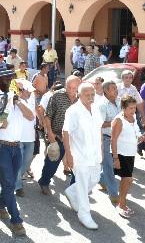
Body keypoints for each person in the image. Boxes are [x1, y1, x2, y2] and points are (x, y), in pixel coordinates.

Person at [0, 86, 34, 237]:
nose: (19, 91)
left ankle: (0, 202)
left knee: (8, 182)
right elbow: (0, 123)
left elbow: (30, 116)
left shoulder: (20, 102)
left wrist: (17, 102)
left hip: (17, 147)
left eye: (20, 89)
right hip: (1, 147)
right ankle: (16, 220)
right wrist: (7, 103)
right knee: (9, 181)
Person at [62, 83, 103, 230]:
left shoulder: (96, 108)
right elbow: (65, 132)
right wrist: (68, 155)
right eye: (87, 95)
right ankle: (84, 214)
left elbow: (99, 130)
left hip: (95, 154)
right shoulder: (73, 111)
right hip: (79, 154)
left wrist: (102, 150)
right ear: (79, 95)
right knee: (83, 183)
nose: (91, 97)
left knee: (95, 179)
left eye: (92, 94)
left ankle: (72, 192)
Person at [38, 76, 81, 195]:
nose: (72, 91)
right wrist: (50, 135)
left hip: (75, 139)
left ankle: (73, 191)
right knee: (52, 162)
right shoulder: (57, 96)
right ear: (66, 86)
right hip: (58, 136)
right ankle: (44, 182)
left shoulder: (82, 99)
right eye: (69, 87)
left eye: (75, 88)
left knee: (77, 167)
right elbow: (48, 116)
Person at [111, 96, 142, 218]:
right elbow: (113, 140)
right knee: (127, 180)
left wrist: (140, 137)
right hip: (121, 154)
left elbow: (136, 131)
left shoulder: (133, 117)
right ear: (123, 108)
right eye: (130, 108)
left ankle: (121, 203)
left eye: (134, 108)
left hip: (130, 154)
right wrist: (115, 158)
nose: (133, 110)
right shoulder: (118, 120)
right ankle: (121, 205)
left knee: (126, 180)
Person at [98, 80, 121, 204]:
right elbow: (99, 124)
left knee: (112, 164)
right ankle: (113, 193)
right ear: (106, 90)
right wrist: (115, 123)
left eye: (116, 88)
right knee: (108, 165)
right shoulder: (102, 105)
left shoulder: (119, 101)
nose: (116, 90)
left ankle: (101, 179)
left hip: (119, 138)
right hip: (106, 138)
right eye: (113, 88)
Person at [15, 80, 37, 197]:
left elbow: (33, 116)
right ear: (22, 91)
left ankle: (16, 178)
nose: (30, 93)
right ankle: (18, 186)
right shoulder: (16, 102)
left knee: (27, 161)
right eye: (28, 91)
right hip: (19, 137)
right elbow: (29, 116)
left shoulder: (31, 99)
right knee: (19, 162)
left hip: (30, 137)